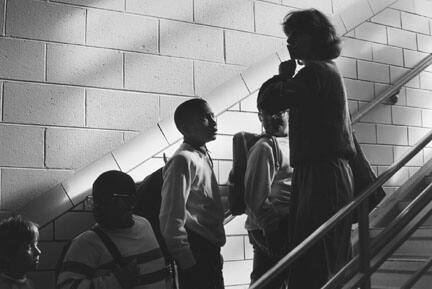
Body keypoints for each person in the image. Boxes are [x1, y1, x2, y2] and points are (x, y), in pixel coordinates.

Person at [259, 9, 357, 289]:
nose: (290, 44)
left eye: (295, 36)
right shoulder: (327, 70)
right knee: (324, 251)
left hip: (321, 171)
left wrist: (281, 76)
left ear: (313, 36)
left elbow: (270, 103)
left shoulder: (314, 71)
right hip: (323, 169)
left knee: (316, 253)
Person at [57, 170, 171, 289]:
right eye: (95, 201)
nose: (97, 207)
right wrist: (114, 282)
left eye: (107, 200)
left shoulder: (144, 225)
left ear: (131, 201)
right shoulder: (87, 243)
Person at [159, 98, 225, 289]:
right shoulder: (182, 160)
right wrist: (187, 261)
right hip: (196, 252)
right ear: (186, 127)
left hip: (209, 250)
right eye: (205, 117)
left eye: (213, 115)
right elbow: (170, 217)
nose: (214, 122)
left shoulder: (202, 155)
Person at [244, 83, 292, 289]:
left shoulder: (292, 142)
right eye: (266, 114)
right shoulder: (264, 148)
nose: (272, 118)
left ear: (288, 112)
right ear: (259, 117)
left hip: (285, 226)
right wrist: (272, 231)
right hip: (271, 228)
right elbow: (256, 198)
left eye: (278, 112)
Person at [0, 215, 41, 289]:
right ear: (9, 253)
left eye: (36, 245)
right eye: (30, 247)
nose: (38, 252)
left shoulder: (30, 284)